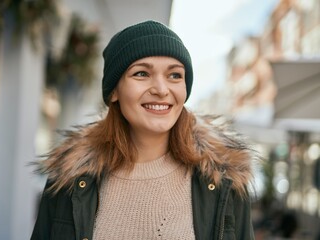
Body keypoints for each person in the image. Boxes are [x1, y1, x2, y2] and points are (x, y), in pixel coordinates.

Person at [31, 20, 256, 240]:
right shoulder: (69, 179)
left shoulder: (223, 180)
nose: (161, 89)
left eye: (174, 75)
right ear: (114, 92)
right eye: (141, 73)